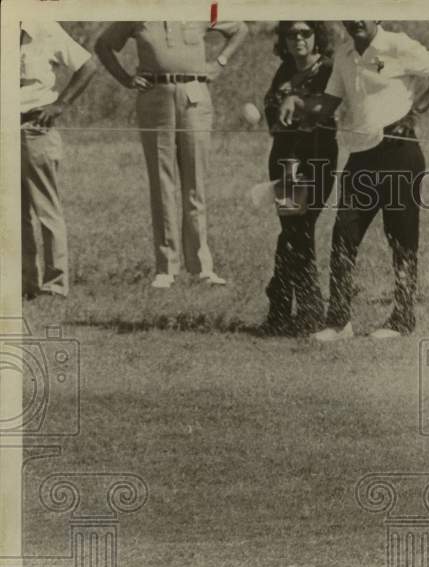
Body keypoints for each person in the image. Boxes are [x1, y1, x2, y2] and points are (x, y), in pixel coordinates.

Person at [279, 20, 429, 341]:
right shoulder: (345, 55)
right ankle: (339, 322)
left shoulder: (398, 44)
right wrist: (300, 105)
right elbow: (330, 102)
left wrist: (413, 113)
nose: (356, 19)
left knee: (401, 239)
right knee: (344, 235)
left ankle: (402, 319)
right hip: (360, 157)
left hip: (400, 154)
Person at [95, 20, 248, 289]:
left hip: (195, 95)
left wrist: (220, 62)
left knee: (195, 184)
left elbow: (241, 29)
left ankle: (202, 268)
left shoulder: (203, 7)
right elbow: (103, 45)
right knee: (162, 183)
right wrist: (126, 79)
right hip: (154, 95)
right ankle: (166, 268)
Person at [259, 21, 339, 336]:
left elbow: (328, 107)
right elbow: (272, 117)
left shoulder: (327, 70)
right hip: (285, 160)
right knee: (294, 230)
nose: (299, 39)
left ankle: (292, 309)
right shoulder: (284, 70)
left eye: (305, 32)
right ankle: (293, 311)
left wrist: (298, 103)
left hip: (316, 159)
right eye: (292, 34)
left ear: (317, 36)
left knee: (299, 229)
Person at [20, 21, 97, 299]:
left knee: (46, 210)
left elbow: (87, 66)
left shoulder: (47, 31)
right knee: (14, 213)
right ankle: (25, 284)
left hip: (35, 129)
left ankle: (55, 285)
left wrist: (60, 105)